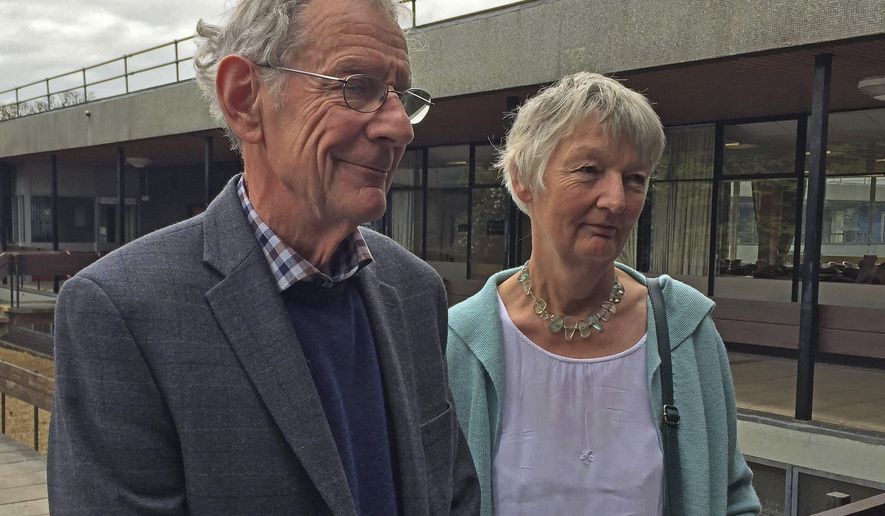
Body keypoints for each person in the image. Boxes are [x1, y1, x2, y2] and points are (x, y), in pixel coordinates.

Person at [48, 0, 479, 514]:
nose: (400, 127)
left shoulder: (415, 291)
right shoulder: (121, 313)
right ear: (246, 99)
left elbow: (451, 494)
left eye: (400, 96)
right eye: (356, 86)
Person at [446, 72, 761, 515]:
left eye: (635, 178)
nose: (616, 200)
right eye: (589, 171)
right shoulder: (460, 343)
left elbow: (732, 497)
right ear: (523, 180)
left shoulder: (685, 331)